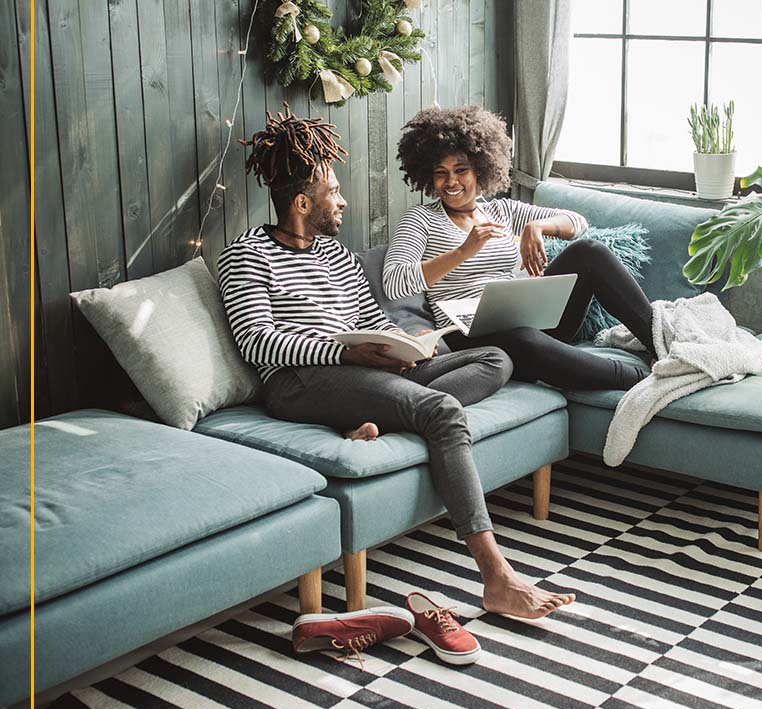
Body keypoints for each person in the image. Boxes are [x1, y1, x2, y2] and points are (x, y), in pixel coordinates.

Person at [218, 104, 574, 620]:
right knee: (443, 413)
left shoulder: (336, 255)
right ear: (301, 201)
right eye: (332, 193)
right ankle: (497, 577)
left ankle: (386, 414)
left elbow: (368, 315)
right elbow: (257, 342)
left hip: (366, 370)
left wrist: (405, 342)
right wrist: (344, 351)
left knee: (495, 358)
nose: (342, 201)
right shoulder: (248, 254)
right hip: (302, 381)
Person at [384, 105, 656, 391]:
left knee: (589, 252)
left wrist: (537, 227)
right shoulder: (420, 220)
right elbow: (394, 282)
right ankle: (645, 380)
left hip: (528, 320)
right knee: (524, 338)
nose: (451, 182)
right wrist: (463, 251)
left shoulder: (502, 211)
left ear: (481, 169)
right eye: (441, 173)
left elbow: (578, 222)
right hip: (471, 335)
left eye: (460, 170)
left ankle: (660, 346)